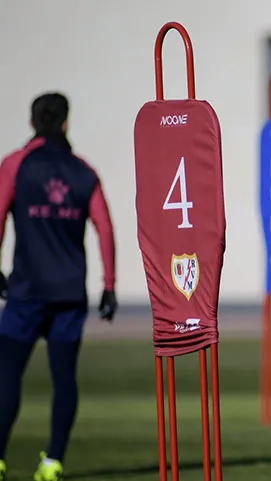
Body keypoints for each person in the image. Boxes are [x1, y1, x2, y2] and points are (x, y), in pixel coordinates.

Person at [0, 92, 118, 481]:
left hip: (25, 293)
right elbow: (105, 228)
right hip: (69, 294)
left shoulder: (16, 165)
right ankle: (52, 462)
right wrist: (109, 285)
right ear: (66, 123)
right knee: (64, 378)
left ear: (33, 122)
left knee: (7, 375)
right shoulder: (84, 172)